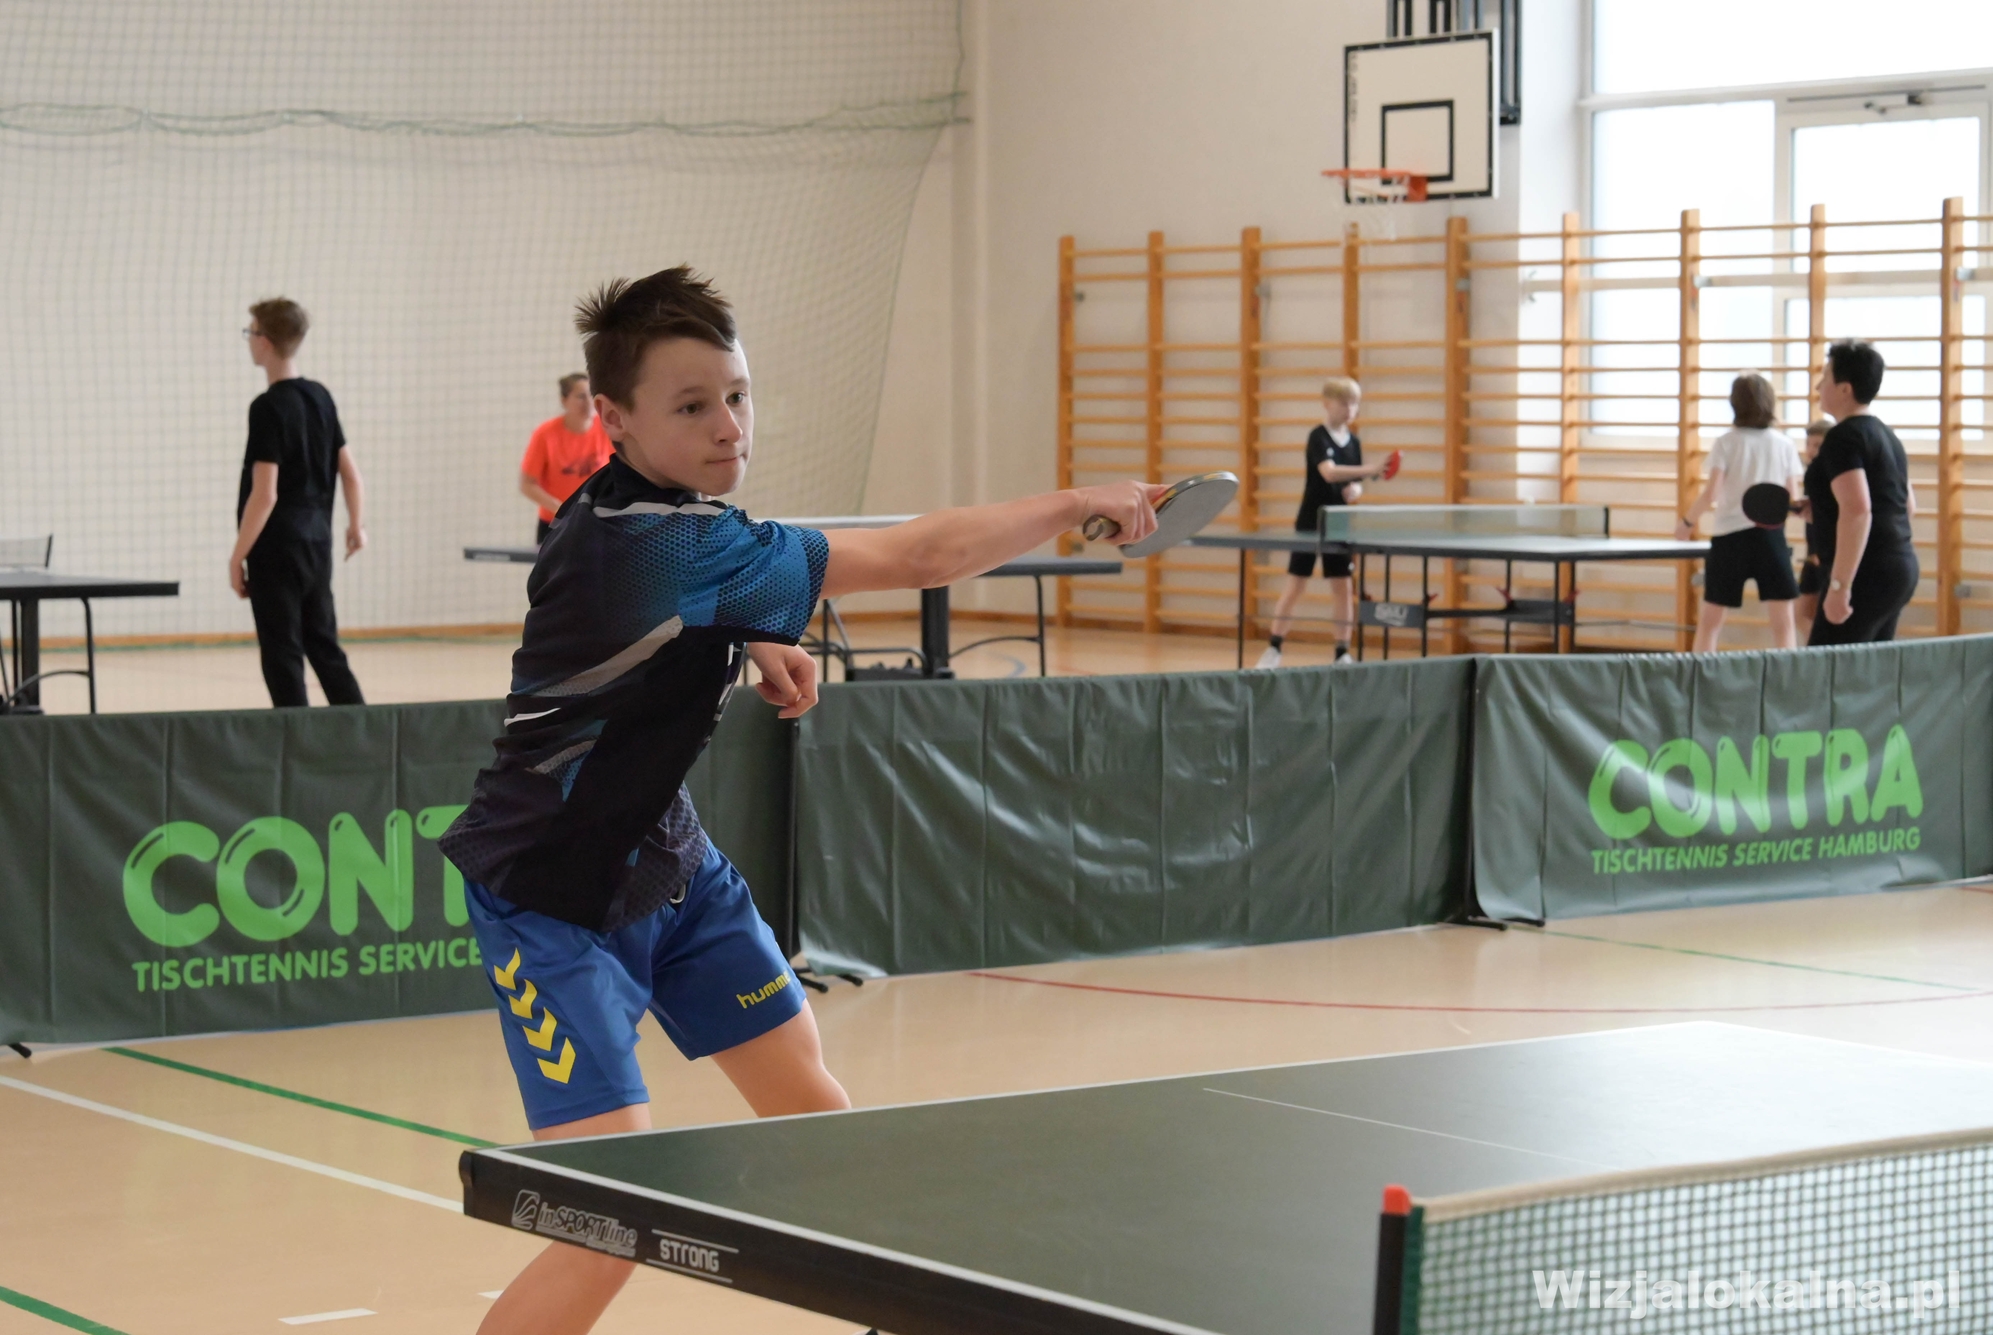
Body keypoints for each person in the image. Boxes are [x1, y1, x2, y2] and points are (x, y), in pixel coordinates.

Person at [437, 266, 1163, 1335]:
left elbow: (653, 632)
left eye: (737, 395)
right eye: (693, 406)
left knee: (826, 1140)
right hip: (551, 897)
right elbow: (922, 555)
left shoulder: (640, 512)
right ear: (613, 417)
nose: (729, 426)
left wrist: (751, 639)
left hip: (670, 867)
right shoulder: (665, 546)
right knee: (608, 1216)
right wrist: (1072, 501)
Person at [227, 298, 367, 708]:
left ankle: (296, 736)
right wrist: (356, 526)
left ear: (265, 341)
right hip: (317, 542)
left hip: (276, 549)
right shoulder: (320, 397)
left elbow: (265, 494)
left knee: (282, 652)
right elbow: (351, 474)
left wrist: (238, 556)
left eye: (251, 332)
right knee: (323, 644)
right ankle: (363, 731)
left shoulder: (267, 407)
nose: (249, 340)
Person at [1255, 377, 1392, 668]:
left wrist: (1357, 490)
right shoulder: (1317, 437)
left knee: (1342, 588)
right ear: (1327, 404)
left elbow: (1354, 481)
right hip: (1310, 522)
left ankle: (1342, 653)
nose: (1350, 409)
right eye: (1344, 403)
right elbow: (1329, 473)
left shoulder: (1354, 442)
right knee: (1296, 584)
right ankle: (1274, 648)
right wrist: (1370, 469)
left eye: (1354, 404)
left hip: (1340, 525)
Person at [1675, 373, 1803, 651]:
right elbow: (1791, 498)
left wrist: (1687, 522)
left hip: (1729, 538)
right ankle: (1788, 675)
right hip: (1770, 536)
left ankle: (1700, 674)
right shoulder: (1784, 444)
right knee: (1783, 623)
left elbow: (1711, 493)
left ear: (1734, 404)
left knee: (1710, 623)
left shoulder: (1726, 442)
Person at [1804, 340, 1919, 646]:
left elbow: (1858, 509)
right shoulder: (1886, 435)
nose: (1818, 386)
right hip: (1899, 566)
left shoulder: (1842, 438)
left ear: (1845, 389)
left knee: (1827, 667)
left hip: (1865, 574)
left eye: (1825, 377)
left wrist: (1840, 586)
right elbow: (1906, 506)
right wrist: (1822, 508)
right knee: (1868, 669)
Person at [520, 373, 614, 544]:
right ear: (564, 400)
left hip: (595, 521)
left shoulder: (607, 430)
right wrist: (562, 509)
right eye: (580, 396)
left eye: (591, 395)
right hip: (555, 523)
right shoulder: (545, 434)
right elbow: (527, 484)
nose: (588, 402)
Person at [1793, 417, 1834, 628]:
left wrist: (1821, 552)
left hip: (1826, 555)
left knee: (1825, 617)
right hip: (1813, 553)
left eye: (1817, 445)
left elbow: (1832, 518)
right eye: (1808, 444)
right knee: (1803, 614)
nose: (1810, 450)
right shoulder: (1813, 473)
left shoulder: (1832, 475)